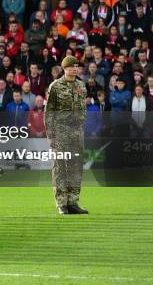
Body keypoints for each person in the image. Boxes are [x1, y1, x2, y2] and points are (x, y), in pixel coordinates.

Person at [44, 56, 88, 215]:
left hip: (77, 132)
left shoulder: (81, 86)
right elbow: (48, 112)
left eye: (76, 66)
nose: (75, 69)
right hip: (61, 131)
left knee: (76, 167)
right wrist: (50, 134)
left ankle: (73, 201)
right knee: (60, 167)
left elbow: (83, 108)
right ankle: (61, 202)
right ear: (64, 69)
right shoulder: (56, 86)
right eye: (71, 67)